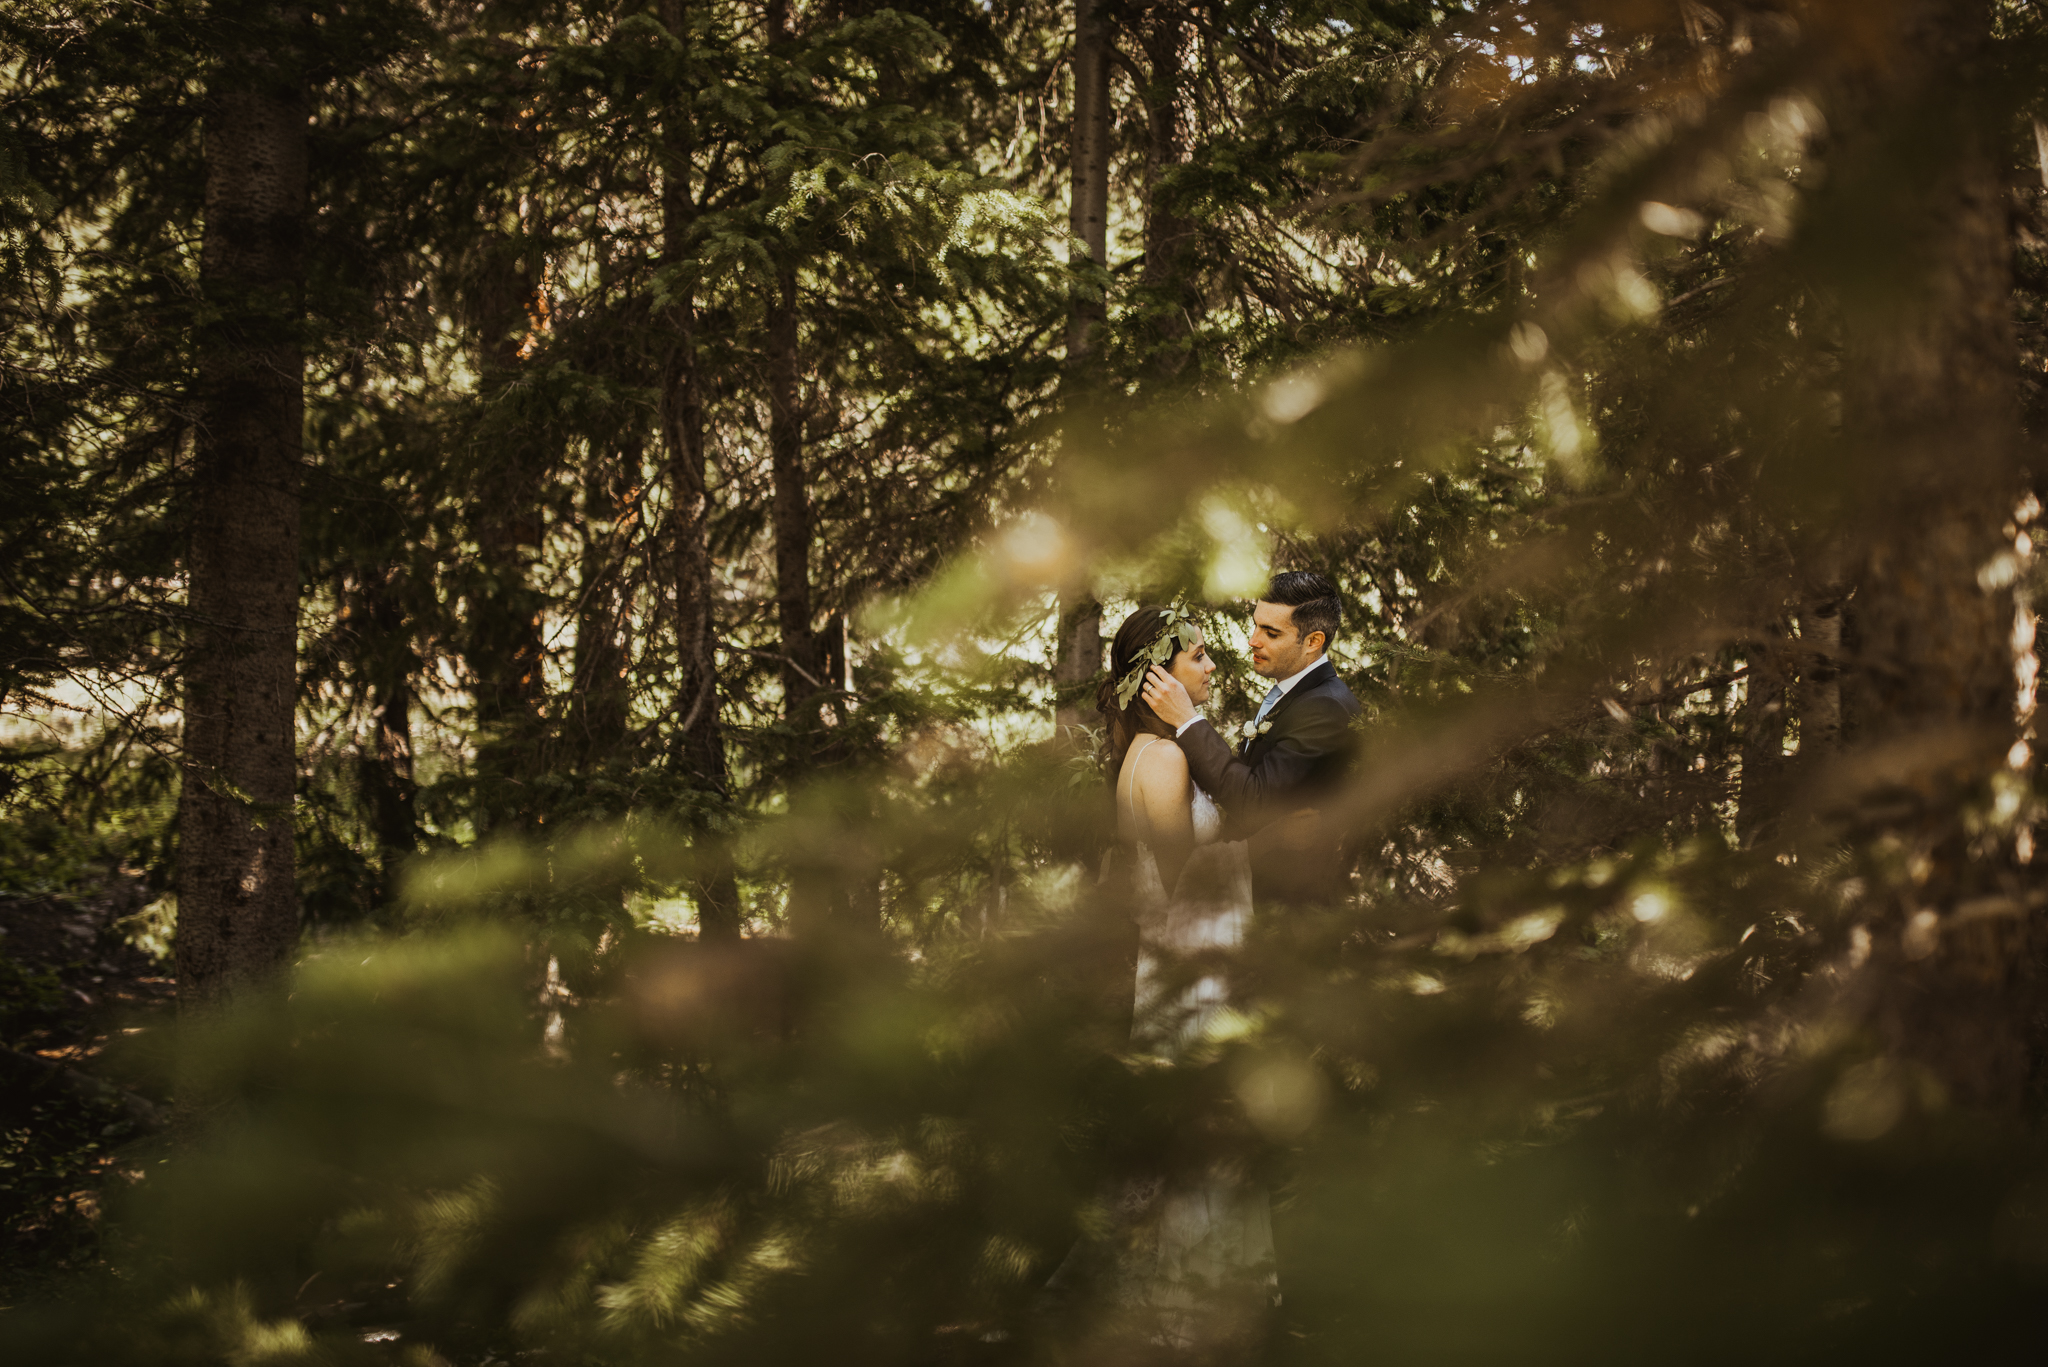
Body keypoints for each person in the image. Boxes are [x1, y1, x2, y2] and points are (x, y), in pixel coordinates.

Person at [1054, 603, 1275, 1349]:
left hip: (1169, 970)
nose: (1213, 667)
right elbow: (1185, 871)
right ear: (1158, 678)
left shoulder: (1136, 760)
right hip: (1196, 975)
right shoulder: (1172, 757)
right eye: (1199, 657)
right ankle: (1193, 1310)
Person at [1139, 570, 1361, 903]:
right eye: (1255, 625)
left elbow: (1254, 803)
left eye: (1271, 633)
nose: (1253, 640)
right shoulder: (1296, 694)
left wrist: (1187, 720)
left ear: (1313, 642)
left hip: (1287, 912)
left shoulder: (1323, 707)